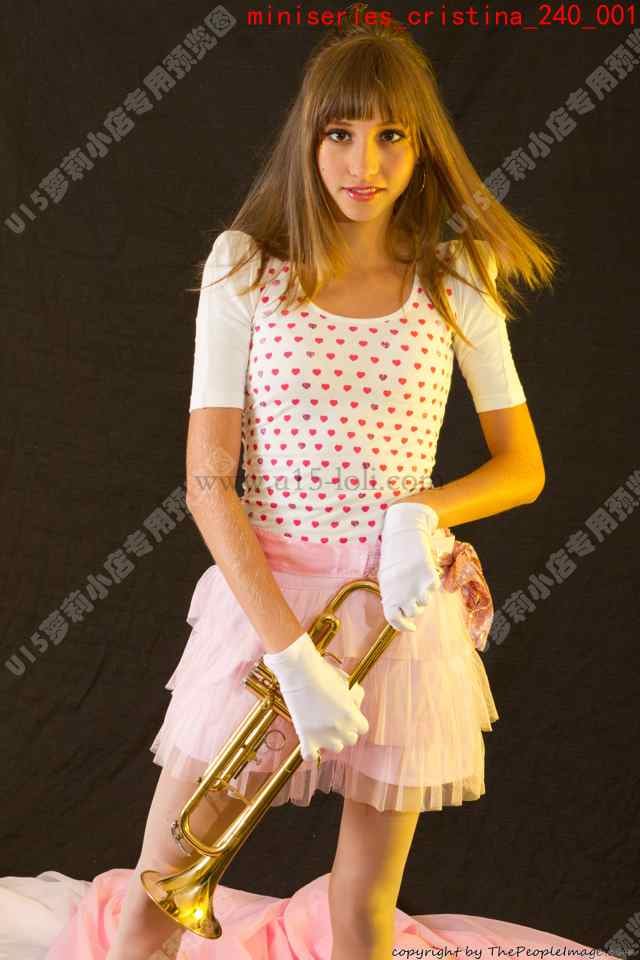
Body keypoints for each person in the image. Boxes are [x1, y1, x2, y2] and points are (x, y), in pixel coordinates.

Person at [102, 6, 554, 959]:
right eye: (340, 133)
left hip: (397, 611)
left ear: (422, 147)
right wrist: (291, 659)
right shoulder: (246, 268)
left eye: (391, 136)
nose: (365, 163)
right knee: (159, 891)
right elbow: (207, 482)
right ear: (307, 141)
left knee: (364, 906)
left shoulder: (457, 278)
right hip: (266, 610)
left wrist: (422, 511)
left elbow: (524, 466)